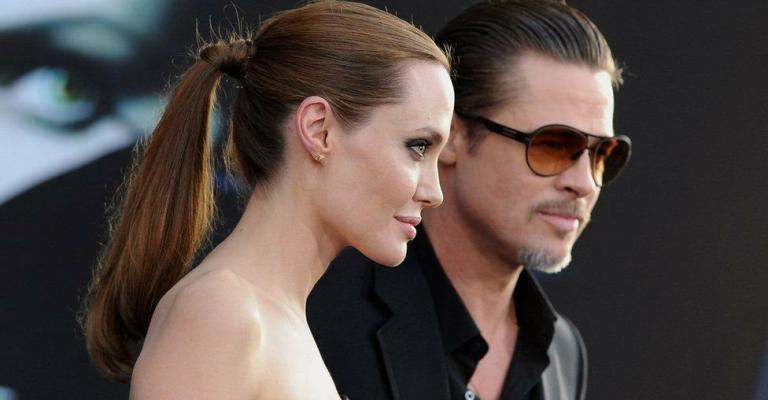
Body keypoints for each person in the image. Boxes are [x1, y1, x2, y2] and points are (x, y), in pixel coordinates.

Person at [79, 1, 454, 398]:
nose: (434, 193)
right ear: (319, 130)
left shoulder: (268, 317)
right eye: (417, 147)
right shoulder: (221, 312)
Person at [308, 1, 631, 399]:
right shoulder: (324, 312)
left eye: (602, 153)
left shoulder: (563, 352)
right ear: (451, 137)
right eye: (552, 145)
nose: (584, 183)